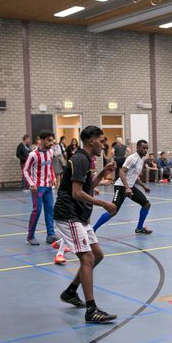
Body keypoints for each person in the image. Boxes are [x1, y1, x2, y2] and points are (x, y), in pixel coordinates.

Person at [54, 125, 118, 323]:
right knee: (88, 257)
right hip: (69, 215)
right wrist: (104, 203)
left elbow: (87, 187)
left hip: (80, 216)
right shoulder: (80, 159)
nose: (104, 144)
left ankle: (71, 291)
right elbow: (77, 193)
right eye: (102, 140)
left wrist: (102, 173)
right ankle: (91, 310)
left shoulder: (87, 159)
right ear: (91, 140)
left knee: (97, 255)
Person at [93, 139, 153, 235]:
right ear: (137, 147)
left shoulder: (140, 160)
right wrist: (127, 187)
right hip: (121, 187)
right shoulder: (132, 158)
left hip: (130, 187)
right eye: (143, 148)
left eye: (146, 148)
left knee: (146, 204)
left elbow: (133, 176)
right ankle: (93, 229)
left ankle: (139, 228)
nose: (145, 150)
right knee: (113, 210)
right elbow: (121, 172)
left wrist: (143, 186)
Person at [23, 130, 59, 246]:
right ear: (42, 140)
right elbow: (25, 170)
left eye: (52, 140)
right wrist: (31, 184)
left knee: (50, 209)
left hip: (48, 187)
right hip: (37, 188)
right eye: (49, 140)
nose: (51, 143)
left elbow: (50, 167)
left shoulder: (50, 152)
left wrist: (53, 178)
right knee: (37, 210)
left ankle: (50, 235)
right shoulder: (33, 155)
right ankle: (30, 237)